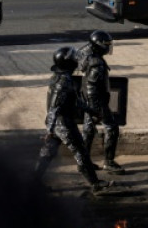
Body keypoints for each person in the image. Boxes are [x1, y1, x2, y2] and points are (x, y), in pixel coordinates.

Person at [34, 46, 110, 194]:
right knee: (81, 152)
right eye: (74, 58)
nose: (77, 60)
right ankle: (95, 184)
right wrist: (49, 131)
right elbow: (54, 108)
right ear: (69, 62)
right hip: (63, 124)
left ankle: (33, 182)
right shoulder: (63, 81)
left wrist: (91, 111)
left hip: (58, 123)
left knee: (47, 153)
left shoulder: (61, 77)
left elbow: (74, 101)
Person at [78, 30, 125, 175]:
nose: (108, 47)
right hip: (95, 101)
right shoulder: (97, 64)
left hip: (86, 99)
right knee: (111, 128)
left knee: (89, 130)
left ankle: (83, 164)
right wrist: (96, 109)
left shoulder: (87, 54)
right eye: (106, 45)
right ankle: (109, 162)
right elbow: (93, 88)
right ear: (99, 45)